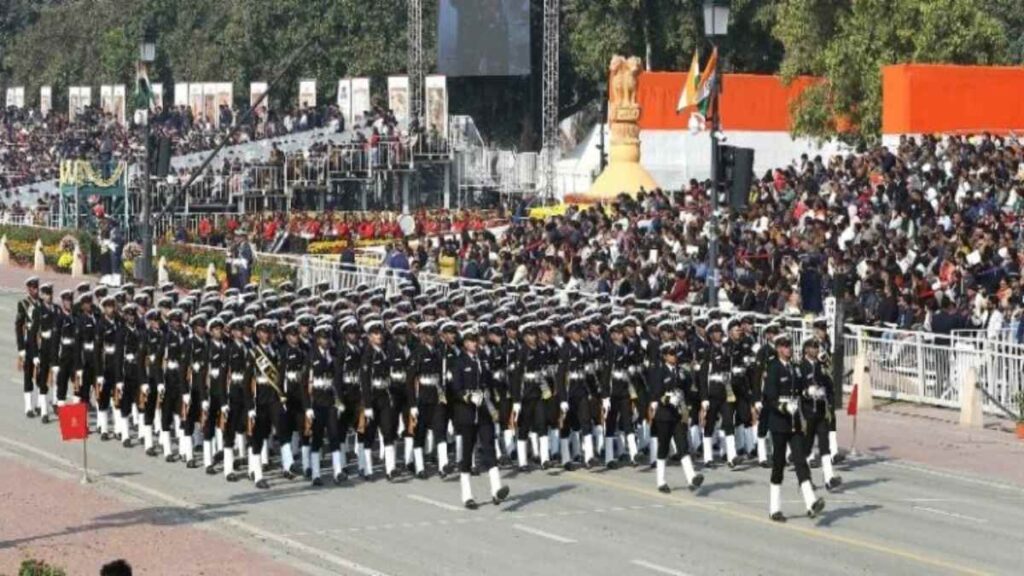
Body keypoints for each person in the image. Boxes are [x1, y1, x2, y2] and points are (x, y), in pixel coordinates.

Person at [762, 334, 825, 522]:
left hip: (794, 421)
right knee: (779, 464)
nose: (789, 348)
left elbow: (800, 390)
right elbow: (770, 397)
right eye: (785, 345)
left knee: (800, 460)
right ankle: (774, 509)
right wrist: (782, 407)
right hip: (779, 422)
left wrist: (808, 392)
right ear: (778, 348)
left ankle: (811, 503)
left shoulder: (795, 368)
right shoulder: (773, 368)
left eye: (789, 345)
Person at [451, 325, 509, 509]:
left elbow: (489, 384)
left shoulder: (482, 359)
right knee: (467, 453)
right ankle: (467, 496)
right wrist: (468, 397)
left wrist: (493, 405)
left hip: (483, 411)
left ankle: (496, 490)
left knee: (489, 446)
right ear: (464, 343)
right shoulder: (459, 362)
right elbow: (456, 388)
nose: (474, 343)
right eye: (470, 340)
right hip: (466, 413)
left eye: (476, 340)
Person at [647, 341, 704, 493]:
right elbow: (655, 394)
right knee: (663, 448)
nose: (674, 356)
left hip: (678, 414)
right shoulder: (659, 372)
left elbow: (689, 391)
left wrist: (689, 407)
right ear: (665, 356)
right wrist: (667, 399)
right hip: (664, 415)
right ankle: (661, 481)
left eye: (675, 353)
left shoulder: (681, 372)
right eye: (671, 354)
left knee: (683, 446)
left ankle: (692, 478)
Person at [796, 339, 842, 491]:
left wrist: (827, 397)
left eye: (817, 347)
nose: (815, 350)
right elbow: (794, 388)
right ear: (806, 349)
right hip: (807, 411)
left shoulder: (821, 366)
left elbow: (829, 385)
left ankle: (829, 478)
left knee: (824, 444)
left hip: (821, 410)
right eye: (812, 347)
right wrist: (806, 392)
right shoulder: (800, 367)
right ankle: (805, 480)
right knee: (807, 447)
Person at [16, 276, 42, 418]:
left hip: (41, 342)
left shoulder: (42, 303)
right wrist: (21, 348)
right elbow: (19, 327)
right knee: (28, 374)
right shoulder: (23, 304)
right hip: (28, 343)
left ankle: (39, 404)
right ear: (28, 289)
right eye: (33, 288)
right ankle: (28, 406)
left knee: (41, 374)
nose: (35, 290)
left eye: (37, 287)